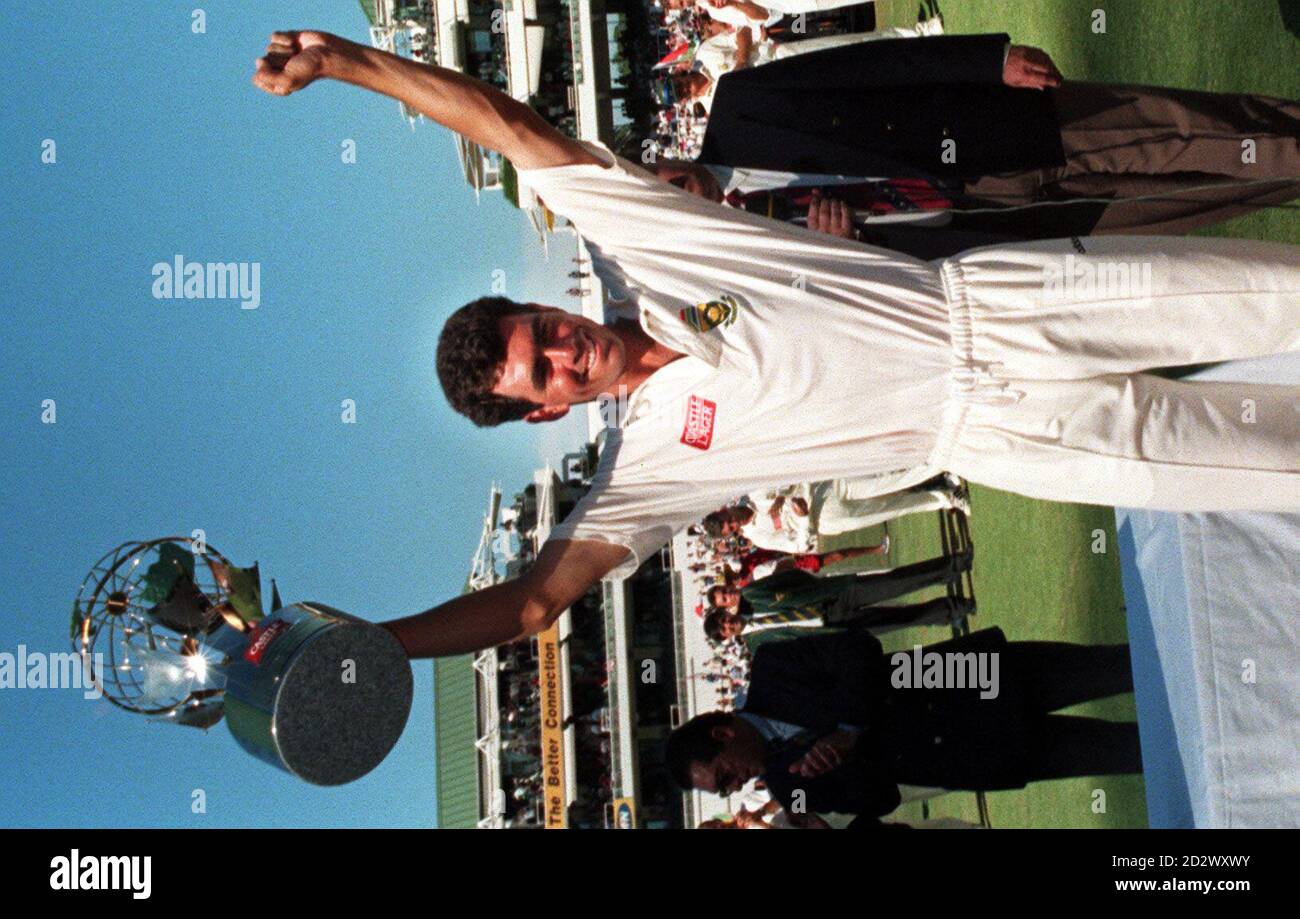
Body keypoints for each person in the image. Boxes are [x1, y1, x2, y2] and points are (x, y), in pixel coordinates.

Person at [252, 30, 1299, 660]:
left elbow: (509, 128)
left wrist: (350, 64)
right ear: (543, 412)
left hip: (1002, 297)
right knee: (1276, 462)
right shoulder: (638, 481)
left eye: (544, 331)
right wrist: (376, 645)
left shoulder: (645, 248)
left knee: (1283, 298)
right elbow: (530, 604)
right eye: (546, 372)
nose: (566, 350)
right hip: (996, 431)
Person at [696, 33, 1300, 250]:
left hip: (997, 129)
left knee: (1193, 131)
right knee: (1204, 199)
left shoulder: (739, 107)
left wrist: (988, 60)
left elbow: (871, 64)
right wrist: (841, 251)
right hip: (997, 232)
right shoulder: (743, 251)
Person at [667, 629, 1142, 827]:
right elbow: (883, 800)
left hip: (977, 678)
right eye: (728, 789)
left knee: (1129, 667)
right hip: (981, 754)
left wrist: (850, 729)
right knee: (1128, 753)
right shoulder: (792, 788)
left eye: (725, 777)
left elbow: (858, 649)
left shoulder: (774, 669)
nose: (737, 787)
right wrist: (840, 776)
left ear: (721, 734)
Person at [704, 551, 970, 640]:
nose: (728, 624)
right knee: (898, 620)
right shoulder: (757, 646)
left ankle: (953, 566)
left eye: (723, 619)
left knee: (894, 581)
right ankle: (955, 610)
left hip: (834, 596)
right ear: (727, 636)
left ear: (726, 614)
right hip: (833, 628)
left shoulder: (752, 595)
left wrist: (816, 587)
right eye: (724, 630)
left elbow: (788, 578)